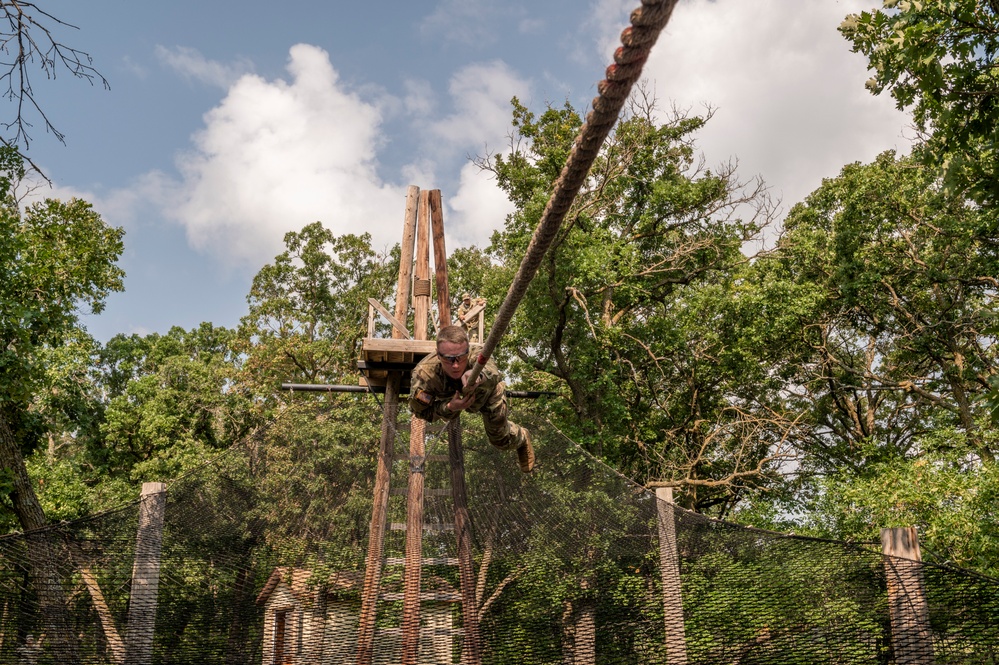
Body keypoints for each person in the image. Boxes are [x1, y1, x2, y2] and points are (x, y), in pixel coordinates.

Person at [409, 325, 534, 473]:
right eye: (449, 359)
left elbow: (494, 372)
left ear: (467, 351)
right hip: (454, 403)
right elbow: (421, 412)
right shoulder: (424, 375)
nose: (455, 365)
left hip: (487, 393)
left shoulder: (478, 355)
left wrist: (479, 377)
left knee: (500, 440)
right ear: (438, 354)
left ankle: (522, 437)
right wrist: (449, 407)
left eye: (461, 358)